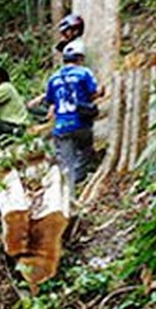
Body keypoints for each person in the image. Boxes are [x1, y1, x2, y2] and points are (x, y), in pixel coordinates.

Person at [45, 41, 99, 197]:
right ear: (80, 58)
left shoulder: (53, 78)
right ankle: (79, 180)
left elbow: (51, 101)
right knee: (86, 151)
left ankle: (68, 198)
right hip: (81, 123)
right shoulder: (84, 73)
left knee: (66, 164)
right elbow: (93, 93)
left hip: (61, 126)